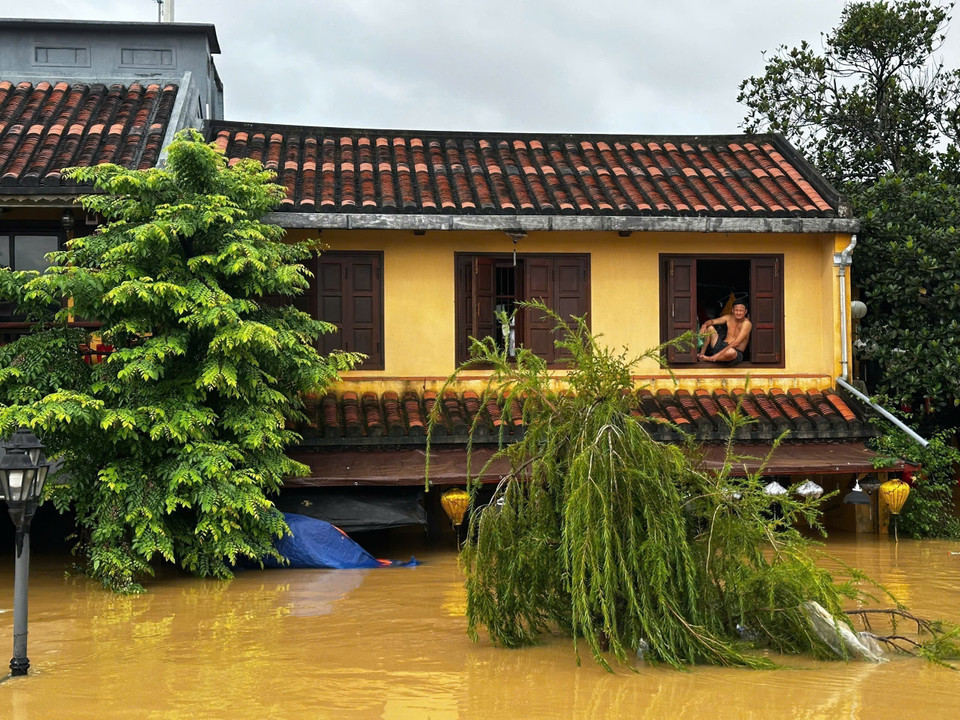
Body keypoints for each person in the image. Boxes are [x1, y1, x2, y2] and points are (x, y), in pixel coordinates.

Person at [698, 301, 752, 365]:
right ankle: (701, 355)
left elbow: (736, 342)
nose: (738, 313)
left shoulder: (747, 323)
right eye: (736, 310)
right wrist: (704, 325)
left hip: (735, 352)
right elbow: (712, 321)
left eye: (741, 310)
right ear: (732, 310)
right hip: (722, 346)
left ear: (745, 312)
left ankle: (709, 359)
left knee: (731, 352)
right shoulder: (728, 317)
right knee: (709, 328)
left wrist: (718, 355)